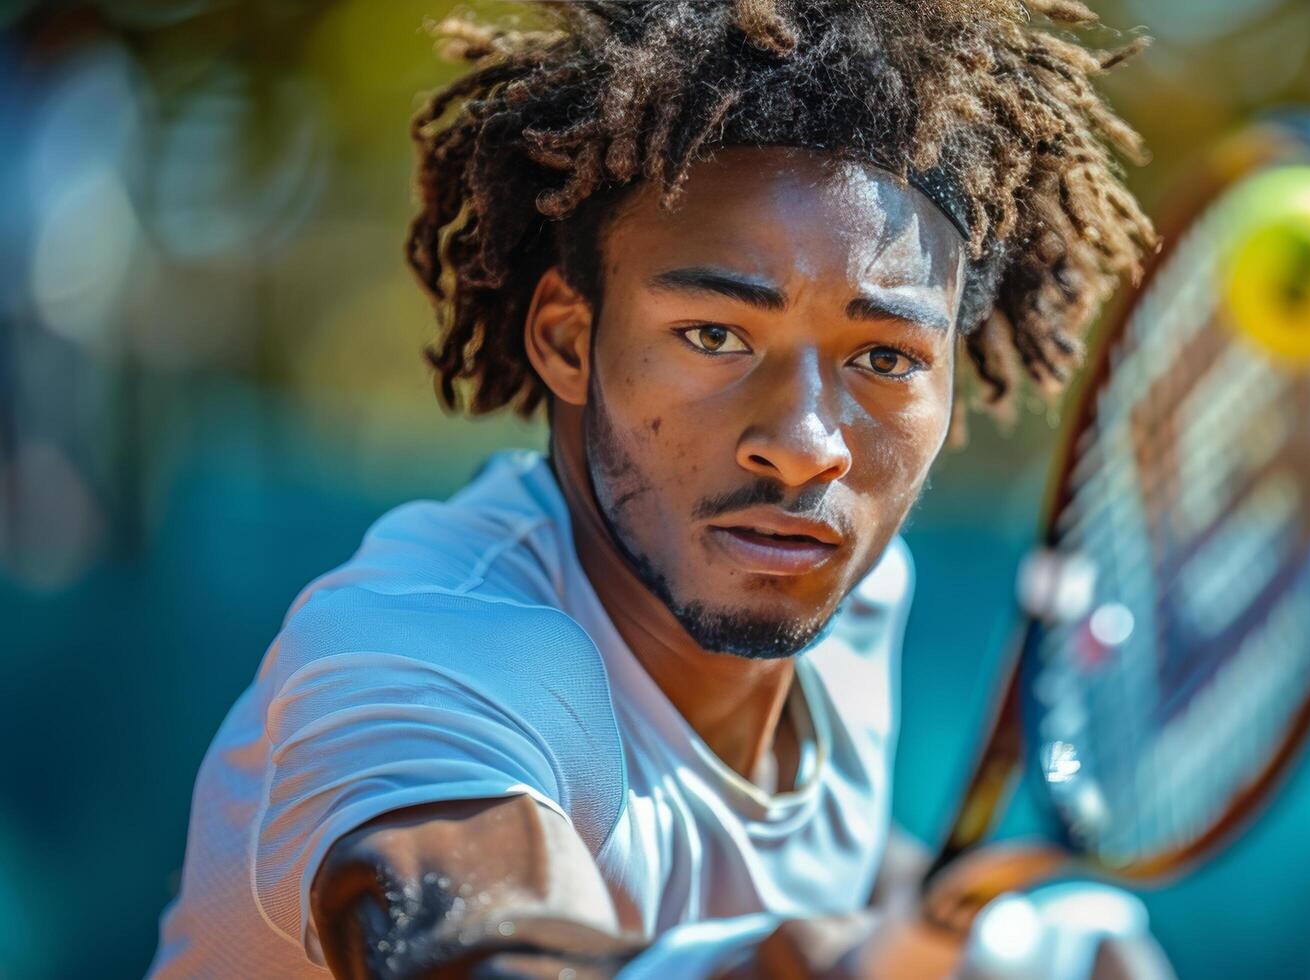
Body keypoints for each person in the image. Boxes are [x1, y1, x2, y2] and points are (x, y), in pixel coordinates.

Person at [148, 1, 1158, 976]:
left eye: (885, 358)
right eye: (716, 335)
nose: (807, 447)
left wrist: (992, 938)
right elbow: (486, 951)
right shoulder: (421, 651)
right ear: (569, 340)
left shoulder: (845, 598)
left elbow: (775, 857)